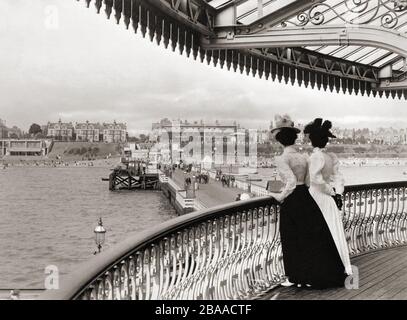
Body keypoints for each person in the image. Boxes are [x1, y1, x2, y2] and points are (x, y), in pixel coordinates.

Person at [268, 114, 347, 289]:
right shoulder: (304, 157)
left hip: (292, 200)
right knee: (310, 239)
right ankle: (311, 275)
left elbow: (289, 183)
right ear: (294, 138)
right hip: (306, 197)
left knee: (291, 239)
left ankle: (295, 276)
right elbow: (310, 181)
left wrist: (279, 197)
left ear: (280, 140)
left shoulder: (281, 159)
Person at [304, 118, 353, 276]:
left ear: (312, 141)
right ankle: (338, 265)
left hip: (317, 197)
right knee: (332, 230)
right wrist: (338, 193)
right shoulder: (331, 157)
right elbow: (339, 178)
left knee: (317, 231)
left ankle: (320, 268)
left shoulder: (315, 157)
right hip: (329, 200)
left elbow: (316, 180)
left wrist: (332, 192)